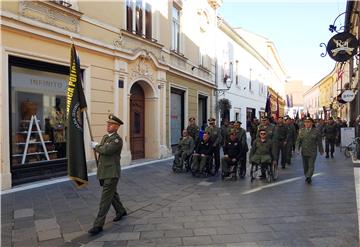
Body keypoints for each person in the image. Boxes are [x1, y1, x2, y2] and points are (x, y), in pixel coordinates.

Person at [88, 114, 127, 235]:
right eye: (108, 124)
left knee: (105, 200)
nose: (108, 126)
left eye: (111, 124)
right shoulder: (106, 137)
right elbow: (102, 150)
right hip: (104, 171)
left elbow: (106, 150)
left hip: (111, 173)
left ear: (116, 127)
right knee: (112, 194)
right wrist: (98, 147)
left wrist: (96, 146)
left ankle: (98, 225)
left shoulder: (117, 140)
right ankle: (121, 211)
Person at [296, 116, 324, 184]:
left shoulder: (316, 131)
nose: (307, 124)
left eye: (308, 122)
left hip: (313, 151)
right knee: (305, 165)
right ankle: (306, 175)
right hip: (304, 151)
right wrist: (297, 149)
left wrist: (321, 150)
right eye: (305, 122)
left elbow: (319, 141)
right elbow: (298, 141)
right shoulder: (301, 131)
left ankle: (309, 176)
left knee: (311, 165)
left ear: (312, 123)